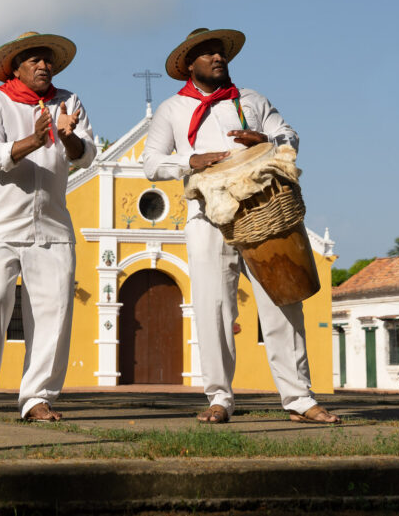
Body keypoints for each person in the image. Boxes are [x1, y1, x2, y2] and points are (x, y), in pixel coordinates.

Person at [143, 27, 340, 425]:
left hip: (262, 211)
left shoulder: (252, 100)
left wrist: (263, 138)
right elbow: (150, 163)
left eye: (222, 52)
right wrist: (190, 162)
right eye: (208, 53)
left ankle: (299, 398)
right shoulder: (172, 110)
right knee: (213, 306)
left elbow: (290, 135)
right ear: (189, 64)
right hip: (207, 216)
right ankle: (219, 397)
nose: (218, 58)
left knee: (283, 299)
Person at [0, 30, 95, 423]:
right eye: (34, 59)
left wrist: (67, 138)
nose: (44, 65)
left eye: (48, 59)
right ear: (15, 67)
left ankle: (36, 399)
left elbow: (86, 156)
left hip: (52, 228)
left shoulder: (70, 102)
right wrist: (34, 140)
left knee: (54, 312)